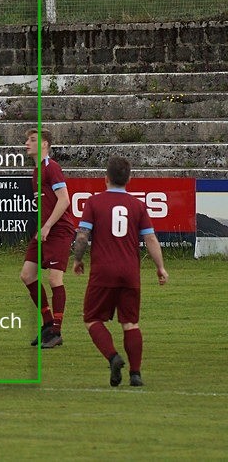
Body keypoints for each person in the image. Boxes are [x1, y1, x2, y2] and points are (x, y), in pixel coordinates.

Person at [73, 156, 168, 387]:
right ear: (129, 179)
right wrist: (160, 267)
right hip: (130, 272)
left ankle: (113, 357)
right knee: (130, 323)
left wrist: (77, 259)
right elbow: (150, 238)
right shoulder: (138, 205)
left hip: (103, 272)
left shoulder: (94, 202)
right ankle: (135, 374)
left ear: (105, 178)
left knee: (92, 318)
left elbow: (83, 236)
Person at [20, 129, 76, 349]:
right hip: (44, 230)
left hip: (59, 230)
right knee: (27, 275)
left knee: (54, 279)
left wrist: (48, 226)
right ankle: (48, 323)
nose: (27, 143)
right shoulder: (36, 171)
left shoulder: (52, 167)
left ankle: (56, 331)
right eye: (27, 140)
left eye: (32, 140)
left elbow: (64, 200)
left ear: (44, 144)